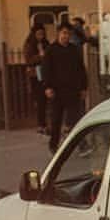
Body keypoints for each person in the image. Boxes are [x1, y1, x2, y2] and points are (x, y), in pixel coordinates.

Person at [44, 23, 88, 153]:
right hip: (57, 91)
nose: (65, 36)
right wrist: (48, 87)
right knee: (56, 120)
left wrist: (84, 87)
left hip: (73, 90)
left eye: (68, 34)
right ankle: (53, 144)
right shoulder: (51, 50)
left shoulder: (74, 50)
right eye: (63, 33)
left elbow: (81, 69)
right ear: (58, 34)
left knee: (77, 119)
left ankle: (81, 145)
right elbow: (46, 69)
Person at [24, 25, 50, 134]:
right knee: (40, 100)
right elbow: (29, 60)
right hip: (36, 74)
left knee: (46, 99)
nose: (40, 36)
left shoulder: (46, 44)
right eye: (38, 34)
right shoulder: (30, 45)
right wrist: (40, 56)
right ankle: (41, 124)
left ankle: (47, 124)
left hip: (46, 73)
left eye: (42, 34)